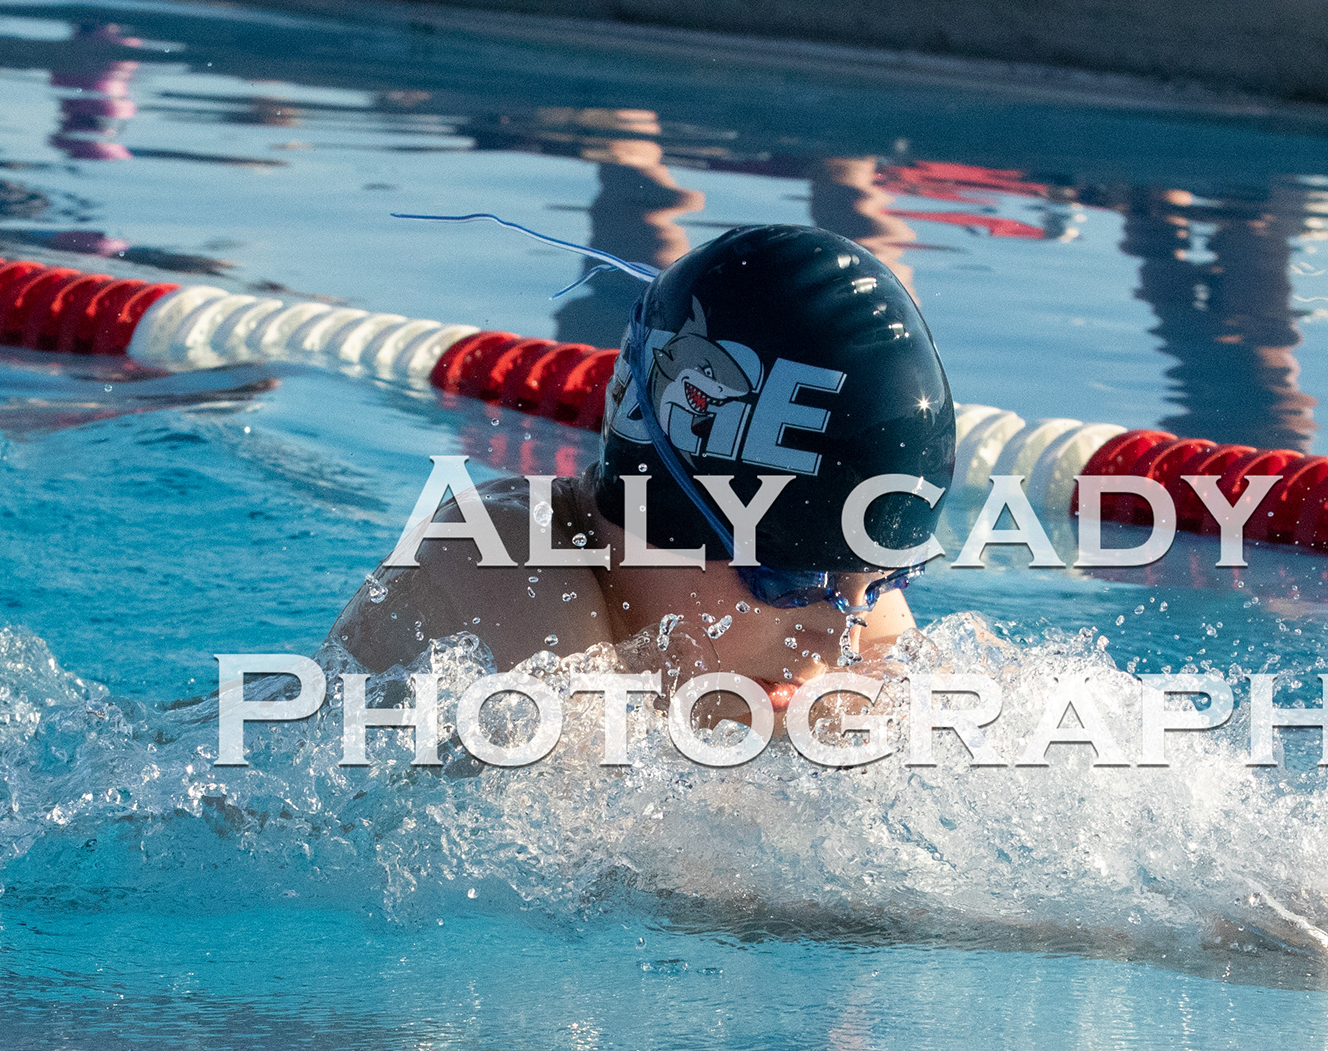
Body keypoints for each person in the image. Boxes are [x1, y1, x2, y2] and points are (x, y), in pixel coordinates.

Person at [329, 224, 957, 708]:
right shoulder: (503, 566)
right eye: (788, 584)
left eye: (886, 583)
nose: (839, 644)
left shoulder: (844, 597)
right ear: (659, 511)